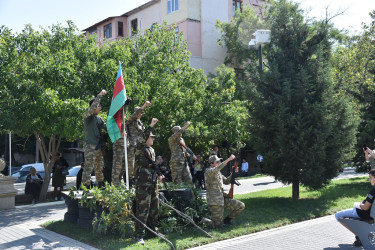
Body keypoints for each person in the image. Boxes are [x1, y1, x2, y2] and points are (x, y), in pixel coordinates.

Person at [135, 124, 164, 245]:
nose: (153, 139)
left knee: (154, 208)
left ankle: (153, 231)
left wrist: (158, 174)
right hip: (143, 185)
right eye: (151, 137)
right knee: (142, 210)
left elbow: (153, 166)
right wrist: (151, 125)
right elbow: (142, 137)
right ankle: (139, 235)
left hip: (152, 184)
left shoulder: (152, 150)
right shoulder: (140, 147)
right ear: (146, 138)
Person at [335, 169, 375, 247]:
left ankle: (359, 236)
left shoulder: (373, 191)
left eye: (370, 177)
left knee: (337, 215)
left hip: (362, 213)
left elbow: (365, 207)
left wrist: (359, 205)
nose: (369, 179)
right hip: (369, 214)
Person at [205, 154, 245, 228]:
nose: (219, 162)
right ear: (211, 163)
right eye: (217, 162)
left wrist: (233, 173)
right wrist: (229, 159)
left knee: (240, 206)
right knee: (218, 226)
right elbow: (216, 169)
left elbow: (226, 181)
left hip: (222, 199)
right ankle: (202, 220)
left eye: (220, 161)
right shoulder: (208, 171)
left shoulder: (218, 173)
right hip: (215, 202)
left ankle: (227, 220)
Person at [82, 89, 107, 189]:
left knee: (99, 167)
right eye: (98, 106)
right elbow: (92, 108)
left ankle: (101, 185)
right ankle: (86, 187)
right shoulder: (88, 116)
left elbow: (107, 127)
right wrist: (99, 95)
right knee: (88, 167)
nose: (100, 108)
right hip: (90, 146)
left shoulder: (99, 118)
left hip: (98, 147)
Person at [126, 101, 151, 184]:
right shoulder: (131, 120)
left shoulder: (140, 123)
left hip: (140, 146)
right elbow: (135, 114)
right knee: (131, 164)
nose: (140, 114)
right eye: (139, 113)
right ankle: (130, 181)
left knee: (139, 164)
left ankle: (137, 180)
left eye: (141, 113)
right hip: (132, 145)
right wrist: (144, 105)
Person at [111, 98, 132, 187]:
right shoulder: (115, 119)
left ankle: (120, 184)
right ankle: (115, 186)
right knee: (117, 167)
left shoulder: (121, 120)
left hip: (125, 146)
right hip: (119, 147)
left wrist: (126, 105)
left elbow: (123, 114)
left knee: (123, 167)